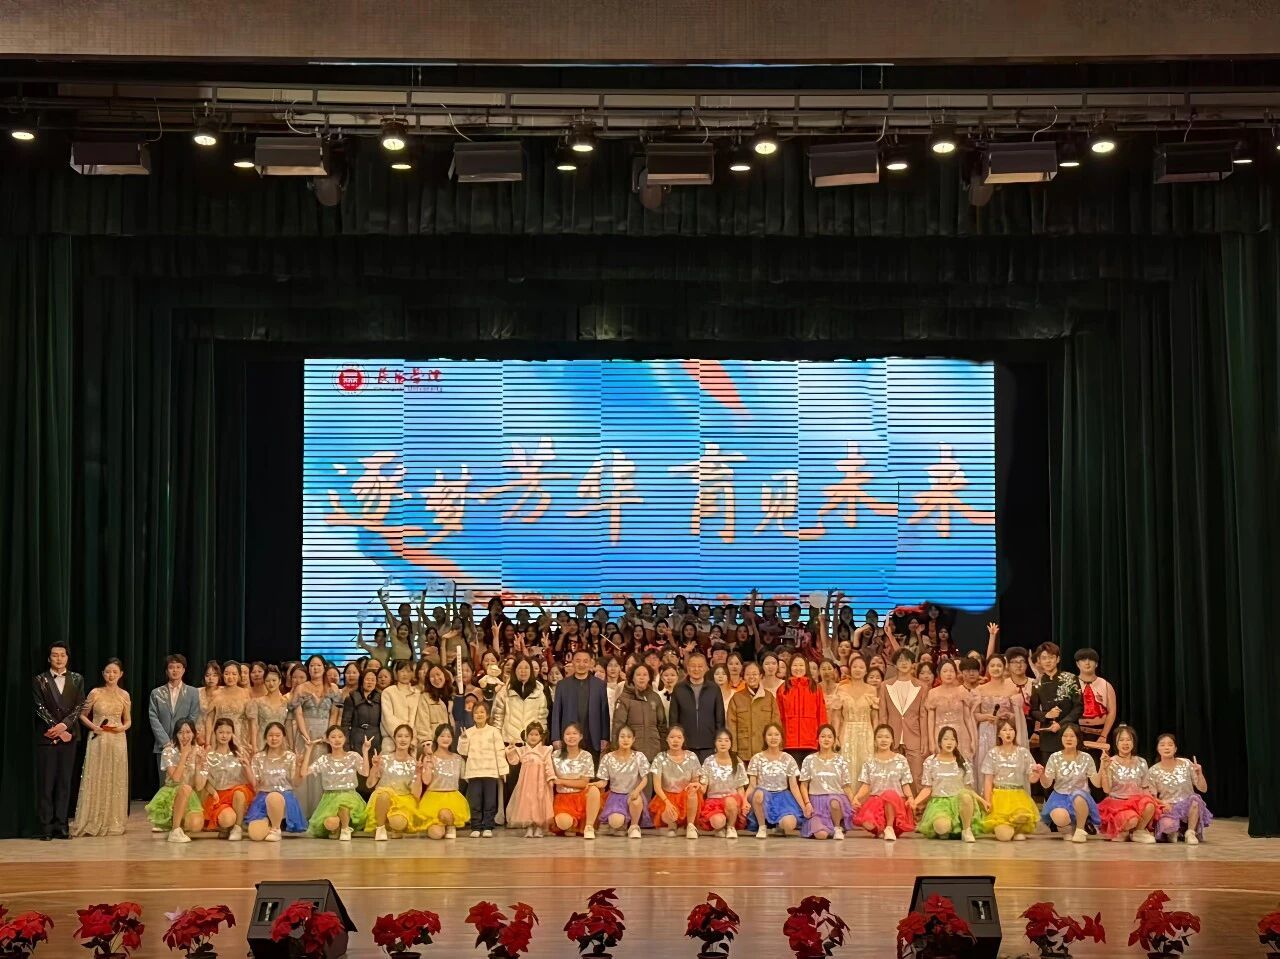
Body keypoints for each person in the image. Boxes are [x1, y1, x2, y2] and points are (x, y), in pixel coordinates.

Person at [70, 658, 133, 837]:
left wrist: (122, 727)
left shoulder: (124, 695)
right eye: (108, 672)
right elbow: (82, 715)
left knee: (115, 778)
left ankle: (113, 821)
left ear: (121, 674)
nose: (111, 675)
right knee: (96, 775)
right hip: (98, 738)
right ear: (103, 674)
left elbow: (128, 720)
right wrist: (94, 726)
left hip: (117, 739)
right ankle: (93, 819)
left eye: (114, 672)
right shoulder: (95, 692)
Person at [34, 642, 86, 840]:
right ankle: (46, 827)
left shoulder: (77, 679)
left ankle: (62, 825)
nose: (59, 658)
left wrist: (65, 727)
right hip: (47, 737)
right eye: (55, 655)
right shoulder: (40, 680)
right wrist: (56, 729)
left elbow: (79, 706)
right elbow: (39, 707)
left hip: (69, 736)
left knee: (65, 782)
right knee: (47, 784)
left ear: (67, 657)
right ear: (49, 658)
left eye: (62, 655)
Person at [912, 726, 987, 843]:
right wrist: (915, 802)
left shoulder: (962, 762)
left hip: (959, 802)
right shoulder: (931, 761)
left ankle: (966, 830)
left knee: (966, 796)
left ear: (956, 743)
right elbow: (927, 788)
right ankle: (949, 829)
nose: (949, 742)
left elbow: (968, 788)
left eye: (952, 739)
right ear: (939, 742)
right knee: (941, 828)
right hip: (940, 804)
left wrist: (983, 801)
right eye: (946, 739)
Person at [493, 657, 550, 804]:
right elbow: (497, 718)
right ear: (514, 671)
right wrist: (499, 744)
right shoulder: (504, 692)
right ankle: (509, 814)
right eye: (520, 668)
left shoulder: (539, 693)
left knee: (530, 787)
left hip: (531, 747)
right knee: (511, 785)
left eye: (526, 668)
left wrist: (540, 743)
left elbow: (542, 719)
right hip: (511, 746)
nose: (523, 671)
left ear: (531, 671)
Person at [301, 725, 370, 840]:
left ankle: (345, 829)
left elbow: (365, 772)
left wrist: (365, 751)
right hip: (330, 799)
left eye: (340, 736)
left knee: (343, 800)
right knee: (330, 823)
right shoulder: (324, 759)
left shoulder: (353, 756)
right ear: (328, 740)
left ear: (345, 738)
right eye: (333, 737)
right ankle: (338, 827)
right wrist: (308, 750)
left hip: (350, 797)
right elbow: (304, 772)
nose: (337, 739)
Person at [979, 718, 1041, 842]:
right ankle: (1008, 829)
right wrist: (987, 801)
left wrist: (1037, 774)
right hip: (999, 796)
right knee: (1004, 835)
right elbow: (988, 781)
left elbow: (1031, 779)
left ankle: (1017, 829)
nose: (1008, 732)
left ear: (1015, 732)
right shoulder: (993, 753)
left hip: (1018, 795)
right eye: (1004, 730)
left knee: (1021, 816)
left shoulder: (1023, 752)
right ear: (999, 734)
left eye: (1011, 729)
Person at [850, 724, 916, 842]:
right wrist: (856, 797)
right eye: (880, 737)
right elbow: (866, 785)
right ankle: (882, 829)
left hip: (895, 805)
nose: (883, 740)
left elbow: (905, 783)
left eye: (887, 737)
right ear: (875, 741)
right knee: (867, 823)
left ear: (892, 740)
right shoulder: (869, 761)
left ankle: (890, 827)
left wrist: (910, 797)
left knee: (889, 794)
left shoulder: (901, 760)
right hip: (876, 803)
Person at [244, 721, 307, 841]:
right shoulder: (258, 757)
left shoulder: (290, 756)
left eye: (277, 735)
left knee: (274, 797)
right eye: (271, 735)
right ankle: (267, 824)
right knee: (255, 835)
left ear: (283, 737)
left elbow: (296, 783)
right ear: (265, 737)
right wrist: (247, 766)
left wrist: (299, 766)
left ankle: (276, 828)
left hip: (284, 798)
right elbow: (255, 784)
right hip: (263, 798)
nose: (274, 738)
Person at [145, 718, 205, 843]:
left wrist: (199, 766)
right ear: (175, 734)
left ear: (194, 733)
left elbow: (199, 786)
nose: (185, 736)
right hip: (172, 793)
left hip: (190, 796)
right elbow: (176, 778)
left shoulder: (199, 751)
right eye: (180, 732)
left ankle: (176, 824)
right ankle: (175, 830)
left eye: (188, 732)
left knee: (196, 825)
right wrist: (184, 755)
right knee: (185, 788)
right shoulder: (169, 751)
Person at [1038, 723, 1101, 843]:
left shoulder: (1086, 757)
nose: (1068, 739)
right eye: (1065, 736)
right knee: (1060, 818)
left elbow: (1097, 784)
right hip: (1060, 797)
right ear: (1061, 738)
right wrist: (1041, 774)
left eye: (1072, 736)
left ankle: (1080, 829)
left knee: (1078, 795)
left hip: (1081, 797)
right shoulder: (1054, 757)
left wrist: (1103, 766)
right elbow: (1047, 784)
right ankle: (1067, 829)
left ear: (1078, 738)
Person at [196, 717, 255, 841]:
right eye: (221, 732)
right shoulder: (209, 756)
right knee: (227, 819)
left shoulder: (239, 753)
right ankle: (226, 827)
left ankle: (237, 827)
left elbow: (249, 778)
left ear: (232, 734)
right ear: (215, 733)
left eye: (228, 732)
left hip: (237, 793)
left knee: (239, 792)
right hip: (219, 795)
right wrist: (213, 792)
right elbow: (205, 781)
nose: (224, 736)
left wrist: (247, 763)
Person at [1097, 724, 1159, 843]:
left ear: (1133, 742)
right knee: (1132, 820)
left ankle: (1138, 832)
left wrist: (1155, 803)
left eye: (1128, 739)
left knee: (1150, 805)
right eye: (1121, 740)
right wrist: (1104, 768)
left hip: (1137, 803)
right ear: (1116, 743)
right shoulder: (1111, 762)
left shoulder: (1141, 761)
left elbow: (1145, 788)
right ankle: (1125, 830)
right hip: (1118, 804)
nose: (1125, 743)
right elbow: (1106, 790)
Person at [1147, 732, 1212, 844]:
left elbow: (1203, 789)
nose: (1166, 747)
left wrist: (1199, 773)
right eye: (1162, 745)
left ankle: (1190, 833)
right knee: (1168, 828)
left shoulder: (1186, 763)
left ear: (1175, 748)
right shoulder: (1153, 771)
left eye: (1170, 744)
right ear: (1157, 749)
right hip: (1168, 808)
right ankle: (1175, 831)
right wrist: (1163, 803)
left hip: (1187, 807)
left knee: (1195, 800)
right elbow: (1151, 796)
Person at [745, 723, 805, 839]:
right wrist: (744, 800)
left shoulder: (788, 758)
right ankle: (762, 826)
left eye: (776, 735)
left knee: (789, 825)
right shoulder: (757, 758)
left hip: (782, 798)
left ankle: (778, 826)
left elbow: (794, 786)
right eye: (770, 735)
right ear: (764, 737)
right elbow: (752, 785)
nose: (773, 738)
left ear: (781, 737)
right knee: (759, 793)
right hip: (763, 797)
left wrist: (803, 807)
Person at [458, 701, 509, 838]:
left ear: (487, 715)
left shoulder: (494, 731)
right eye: (476, 712)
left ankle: (488, 826)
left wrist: (503, 771)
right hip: (474, 772)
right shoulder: (468, 732)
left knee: (490, 801)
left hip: (490, 772)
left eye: (482, 712)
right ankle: (475, 826)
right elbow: (462, 751)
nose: (479, 714)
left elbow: (500, 751)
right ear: (472, 715)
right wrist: (463, 739)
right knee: (475, 801)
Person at [972, 654, 1028, 778]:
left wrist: (1009, 715)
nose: (995, 668)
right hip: (986, 732)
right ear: (987, 668)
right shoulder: (980, 689)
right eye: (992, 665)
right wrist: (986, 717)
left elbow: (1017, 716)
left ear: (1004, 667)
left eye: (999, 665)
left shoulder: (1012, 689)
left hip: (1005, 731)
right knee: (986, 766)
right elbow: (975, 715)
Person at [364, 723, 422, 840]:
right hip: (383, 800)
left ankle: (394, 828)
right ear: (394, 739)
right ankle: (380, 828)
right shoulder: (384, 758)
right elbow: (369, 784)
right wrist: (375, 767)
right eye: (399, 736)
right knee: (384, 794)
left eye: (406, 736)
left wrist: (418, 773)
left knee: (398, 823)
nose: (403, 739)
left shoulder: (413, 763)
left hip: (403, 802)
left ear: (411, 739)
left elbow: (416, 794)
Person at [798, 725, 856, 841]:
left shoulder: (840, 760)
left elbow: (846, 785)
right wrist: (807, 803)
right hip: (817, 803)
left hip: (836, 801)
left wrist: (853, 801)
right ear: (817, 739)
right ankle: (826, 827)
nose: (826, 739)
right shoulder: (809, 760)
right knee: (821, 835)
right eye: (823, 736)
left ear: (834, 740)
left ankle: (837, 827)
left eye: (829, 737)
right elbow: (804, 785)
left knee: (834, 801)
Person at [593, 725, 652, 838]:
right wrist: (595, 784)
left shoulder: (639, 756)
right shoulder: (608, 757)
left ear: (633, 739)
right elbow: (604, 782)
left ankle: (633, 826)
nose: (626, 739)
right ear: (617, 738)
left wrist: (637, 791)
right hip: (615, 797)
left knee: (636, 801)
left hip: (632, 794)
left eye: (629, 737)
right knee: (615, 822)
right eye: (622, 736)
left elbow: (645, 779)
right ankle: (620, 824)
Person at [550, 651, 612, 759]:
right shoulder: (562, 685)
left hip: (593, 737)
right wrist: (555, 737)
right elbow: (556, 713)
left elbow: (604, 713)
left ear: (591, 663)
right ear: (572, 662)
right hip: (569, 736)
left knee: (593, 767)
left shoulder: (600, 685)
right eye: (578, 661)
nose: (581, 664)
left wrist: (605, 737)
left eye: (585, 661)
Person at [147, 654, 200, 779]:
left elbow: (193, 716)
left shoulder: (193, 692)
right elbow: (153, 718)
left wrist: (182, 739)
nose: (175, 670)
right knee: (165, 783)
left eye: (178, 667)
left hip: (184, 745)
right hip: (163, 746)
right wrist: (165, 742)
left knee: (184, 782)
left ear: (183, 670)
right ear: (166, 671)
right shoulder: (156, 693)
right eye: (171, 667)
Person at [1029, 642, 1082, 763]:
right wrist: (1046, 715)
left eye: (1051, 657)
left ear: (1058, 659)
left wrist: (1060, 724)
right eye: (1044, 658)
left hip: (1070, 733)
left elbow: (1078, 708)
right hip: (1048, 737)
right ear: (1039, 661)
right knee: (1050, 771)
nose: (1048, 661)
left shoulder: (1070, 678)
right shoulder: (1037, 683)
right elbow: (1033, 711)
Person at [881, 649, 928, 784]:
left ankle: (915, 799)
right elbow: (883, 715)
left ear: (913, 663)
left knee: (916, 776)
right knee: (892, 777)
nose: (904, 663)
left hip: (914, 736)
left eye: (907, 660)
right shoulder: (885, 685)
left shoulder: (922, 686)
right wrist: (882, 737)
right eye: (900, 660)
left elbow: (923, 715)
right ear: (895, 664)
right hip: (892, 736)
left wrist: (924, 739)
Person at [549, 722, 603, 839]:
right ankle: (571, 826)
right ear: (563, 737)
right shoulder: (555, 755)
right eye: (568, 734)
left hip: (581, 797)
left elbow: (584, 783)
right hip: (563, 799)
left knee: (594, 789)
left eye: (574, 733)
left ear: (581, 736)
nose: (571, 736)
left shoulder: (586, 756)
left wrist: (561, 781)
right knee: (564, 823)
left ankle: (588, 826)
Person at [648, 725, 704, 836]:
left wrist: (696, 785)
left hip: (686, 796)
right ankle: (672, 825)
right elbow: (657, 787)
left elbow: (695, 781)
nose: (675, 740)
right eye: (672, 737)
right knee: (669, 815)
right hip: (666, 797)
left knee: (693, 791)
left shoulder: (691, 756)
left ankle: (690, 826)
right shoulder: (660, 758)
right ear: (667, 739)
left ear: (683, 740)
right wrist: (667, 802)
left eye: (679, 737)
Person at [669, 652, 725, 762]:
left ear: (706, 668)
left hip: (709, 745)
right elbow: (673, 718)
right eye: (693, 666)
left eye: (700, 666)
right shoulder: (679, 688)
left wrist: (718, 741)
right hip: (685, 745)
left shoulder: (714, 689)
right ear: (687, 667)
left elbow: (720, 718)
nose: (696, 669)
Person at [695, 728, 748, 840]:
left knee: (730, 801)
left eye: (726, 740)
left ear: (731, 743)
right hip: (714, 801)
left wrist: (744, 802)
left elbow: (740, 787)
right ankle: (720, 828)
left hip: (732, 801)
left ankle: (731, 827)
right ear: (715, 743)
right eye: (719, 740)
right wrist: (698, 786)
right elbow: (704, 786)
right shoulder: (709, 761)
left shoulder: (737, 761)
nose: (723, 743)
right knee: (718, 822)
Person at [419, 724, 470, 839]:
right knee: (436, 834)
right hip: (433, 799)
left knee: (445, 814)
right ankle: (442, 827)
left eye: (449, 736)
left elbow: (467, 777)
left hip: (452, 798)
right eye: (442, 736)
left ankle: (451, 826)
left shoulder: (457, 759)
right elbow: (426, 781)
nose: (445, 739)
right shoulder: (430, 758)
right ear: (436, 738)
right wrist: (428, 766)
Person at [505, 721, 554, 837]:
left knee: (539, 802)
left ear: (541, 736)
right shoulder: (522, 750)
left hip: (540, 783)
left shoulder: (545, 750)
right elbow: (514, 761)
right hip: (526, 783)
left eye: (536, 734)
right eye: (531, 734)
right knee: (527, 803)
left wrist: (550, 777)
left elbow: (548, 765)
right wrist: (510, 751)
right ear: (526, 736)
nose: (533, 737)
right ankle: (529, 827)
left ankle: (539, 827)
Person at [611, 663, 667, 761]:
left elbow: (662, 726)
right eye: (638, 675)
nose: (642, 677)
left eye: (645, 675)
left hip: (654, 750)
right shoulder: (624, 698)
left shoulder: (655, 697)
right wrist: (616, 750)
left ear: (649, 678)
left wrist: (663, 748)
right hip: (631, 751)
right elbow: (617, 727)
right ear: (632, 678)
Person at [834, 656, 877, 781]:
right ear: (850, 669)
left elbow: (875, 716)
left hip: (866, 732)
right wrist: (835, 736)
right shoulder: (841, 688)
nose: (858, 670)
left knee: (866, 763)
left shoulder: (871, 690)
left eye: (861, 667)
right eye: (855, 667)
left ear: (866, 671)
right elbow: (836, 715)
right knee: (846, 763)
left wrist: (875, 735)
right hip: (847, 731)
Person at [727, 662, 781, 760]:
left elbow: (776, 724)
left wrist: (777, 748)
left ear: (760, 676)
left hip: (765, 750)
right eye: (748, 674)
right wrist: (733, 751)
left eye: (755, 674)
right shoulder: (737, 698)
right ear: (743, 677)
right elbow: (731, 726)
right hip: (743, 752)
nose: (751, 677)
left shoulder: (769, 698)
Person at [924, 660, 976, 762]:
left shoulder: (962, 691)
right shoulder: (933, 693)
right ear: (939, 674)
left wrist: (973, 739)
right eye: (945, 671)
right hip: (940, 735)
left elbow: (968, 718)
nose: (948, 674)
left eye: (951, 671)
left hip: (961, 735)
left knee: (962, 766)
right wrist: (931, 742)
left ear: (956, 673)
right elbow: (930, 720)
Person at [1074, 648, 1117, 760]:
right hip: (1075, 733)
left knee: (1099, 765)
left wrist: (1103, 735)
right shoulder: (1071, 684)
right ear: (1077, 664)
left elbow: (1112, 712)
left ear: (1096, 664)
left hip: (1099, 734)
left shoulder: (1106, 685)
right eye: (1083, 660)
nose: (1087, 663)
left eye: (1091, 660)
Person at [379, 659, 421, 754]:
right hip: (391, 739)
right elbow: (387, 717)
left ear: (412, 674)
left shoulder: (417, 693)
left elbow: (418, 718)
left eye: (408, 671)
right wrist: (402, 736)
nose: (405, 674)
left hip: (412, 741)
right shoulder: (388, 692)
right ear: (396, 673)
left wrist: (411, 737)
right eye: (402, 671)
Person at [207, 661, 251, 749]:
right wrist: (208, 742)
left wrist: (249, 740)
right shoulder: (216, 693)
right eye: (227, 674)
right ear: (222, 675)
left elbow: (250, 720)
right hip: (219, 735)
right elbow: (210, 719)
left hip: (239, 737)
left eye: (234, 674)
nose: (230, 677)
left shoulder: (245, 693)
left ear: (239, 676)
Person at [248, 667, 292, 752]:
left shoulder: (286, 702)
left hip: (281, 740)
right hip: (262, 740)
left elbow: (288, 725)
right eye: (267, 681)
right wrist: (254, 746)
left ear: (280, 681)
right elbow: (254, 726)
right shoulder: (257, 702)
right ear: (264, 682)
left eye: (274, 680)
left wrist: (291, 744)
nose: (271, 684)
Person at [342, 668, 382, 760]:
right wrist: (346, 744)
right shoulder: (351, 698)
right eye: (367, 679)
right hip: (356, 738)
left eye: (373, 680)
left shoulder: (381, 698)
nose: (370, 682)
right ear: (362, 680)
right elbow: (345, 724)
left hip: (375, 739)